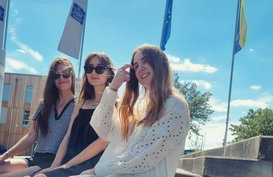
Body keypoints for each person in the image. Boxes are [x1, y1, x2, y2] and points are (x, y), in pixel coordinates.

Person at [76, 44, 190, 177]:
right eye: (135, 65)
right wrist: (113, 88)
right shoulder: (140, 107)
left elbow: (143, 157)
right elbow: (104, 129)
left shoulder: (175, 105)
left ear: (159, 63)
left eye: (145, 61)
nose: (140, 68)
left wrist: (97, 170)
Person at [0, 58, 77, 177]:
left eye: (66, 74)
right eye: (57, 76)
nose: (61, 78)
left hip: (54, 161)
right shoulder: (44, 104)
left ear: (72, 75)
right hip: (36, 158)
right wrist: (4, 156)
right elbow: (31, 136)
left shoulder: (77, 106)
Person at [34, 52, 115, 177]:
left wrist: (68, 165)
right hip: (68, 162)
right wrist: (54, 166)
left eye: (99, 68)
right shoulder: (81, 102)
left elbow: (102, 143)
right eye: (89, 68)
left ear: (108, 73)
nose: (93, 72)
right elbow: (68, 135)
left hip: (89, 165)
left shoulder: (115, 103)